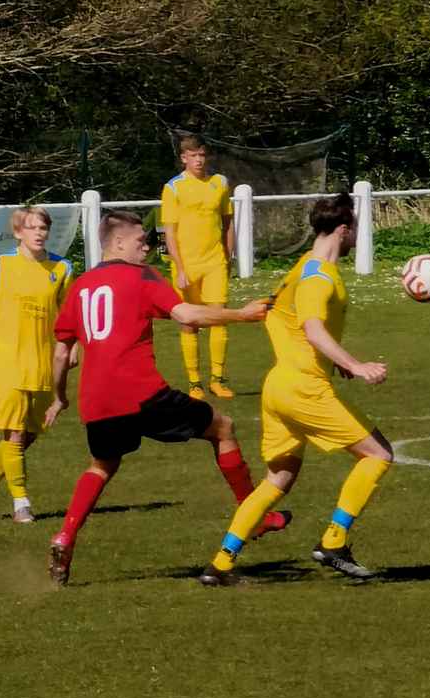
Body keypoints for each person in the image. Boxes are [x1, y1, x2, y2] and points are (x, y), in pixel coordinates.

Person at [45, 210, 291, 586]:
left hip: (97, 400)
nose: (147, 246)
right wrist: (241, 315)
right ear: (119, 242)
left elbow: (62, 353)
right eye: (141, 239)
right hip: (141, 392)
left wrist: (59, 397)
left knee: (100, 466)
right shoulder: (140, 276)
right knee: (223, 427)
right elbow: (186, 314)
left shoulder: (81, 285)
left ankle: (66, 537)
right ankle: (253, 516)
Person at [200, 192, 394, 585]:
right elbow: (312, 327)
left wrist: (330, 359)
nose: (356, 233)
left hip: (279, 387)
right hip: (304, 388)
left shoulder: (301, 267)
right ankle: (334, 541)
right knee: (378, 454)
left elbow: (278, 314)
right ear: (343, 229)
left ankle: (220, 564)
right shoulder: (318, 275)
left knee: (278, 479)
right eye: (354, 226)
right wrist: (353, 365)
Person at [0, 206, 74, 523]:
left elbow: (68, 316)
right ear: (18, 232)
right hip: (7, 363)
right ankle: (22, 502)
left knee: (29, 434)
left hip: (43, 363)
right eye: (32, 227)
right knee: (16, 435)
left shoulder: (61, 268)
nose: (39, 233)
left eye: (43, 228)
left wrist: (72, 347)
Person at [161, 133, 235, 400]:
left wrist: (228, 257)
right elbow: (168, 232)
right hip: (187, 265)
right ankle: (195, 382)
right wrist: (179, 267)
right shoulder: (173, 188)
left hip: (215, 261)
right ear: (184, 158)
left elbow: (228, 222)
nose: (199, 160)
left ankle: (218, 378)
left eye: (202, 155)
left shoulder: (219, 183)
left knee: (219, 318)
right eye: (193, 156)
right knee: (190, 323)